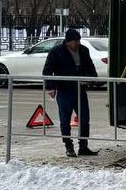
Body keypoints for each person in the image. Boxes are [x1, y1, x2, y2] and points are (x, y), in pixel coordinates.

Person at [42, 29, 98, 157]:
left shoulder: (83, 50)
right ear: (68, 42)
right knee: (65, 120)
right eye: (75, 41)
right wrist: (50, 87)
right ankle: (68, 146)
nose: (78, 43)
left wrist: (92, 79)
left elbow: (90, 66)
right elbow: (47, 70)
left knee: (84, 119)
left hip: (80, 89)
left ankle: (83, 146)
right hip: (64, 90)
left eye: (79, 40)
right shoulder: (57, 52)